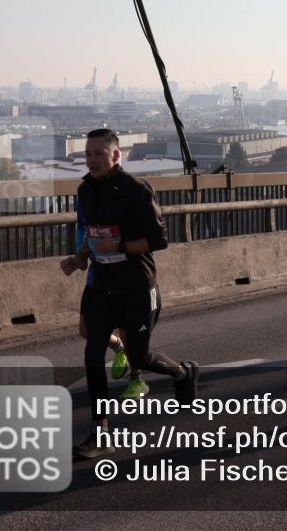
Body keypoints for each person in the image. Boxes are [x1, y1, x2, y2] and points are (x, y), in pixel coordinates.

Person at [61, 129, 199, 459]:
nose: (91, 159)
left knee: (140, 358)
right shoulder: (84, 190)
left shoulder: (136, 190)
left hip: (136, 284)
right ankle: (100, 431)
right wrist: (80, 258)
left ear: (116, 156)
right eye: (87, 153)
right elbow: (90, 233)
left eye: (98, 153)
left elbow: (160, 240)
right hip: (100, 285)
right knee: (93, 355)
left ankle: (182, 372)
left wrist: (120, 246)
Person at [72, 205, 154, 401]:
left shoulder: (122, 196)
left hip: (125, 277)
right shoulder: (86, 196)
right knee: (86, 331)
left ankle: (137, 379)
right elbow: (83, 229)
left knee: (127, 330)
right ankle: (118, 347)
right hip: (97, 277)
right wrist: (79, 256)